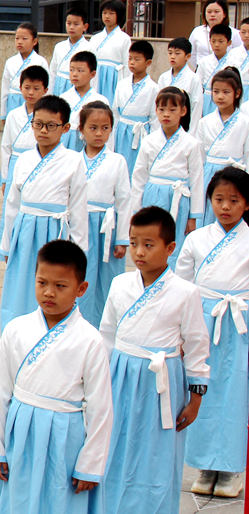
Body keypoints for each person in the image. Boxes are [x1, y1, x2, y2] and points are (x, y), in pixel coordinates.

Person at [0, 240, 113, 514]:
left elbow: (100, 407)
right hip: (21, 434)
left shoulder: (90, 340)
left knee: (60, 502)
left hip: (66, 439)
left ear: (81, 289)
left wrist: (90, 464)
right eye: (42, 283)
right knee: (17, 501)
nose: (49, 293)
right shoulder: (16, 330)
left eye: (60, 286)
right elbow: (0, 393)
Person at [100, 206, 210, 514]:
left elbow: (197, 344)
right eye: (134, 243)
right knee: (116, 447)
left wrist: (196, 395)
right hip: (120, 375)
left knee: (157, 454)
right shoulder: (120, 285)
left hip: (162, 382)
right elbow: (106, 335)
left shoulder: (185, 292)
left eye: (149, 244)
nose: (138, 252)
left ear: (170, 248)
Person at [177, 167, 249, 498]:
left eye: (234, 200)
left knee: (235, 394)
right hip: (202, 321)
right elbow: (181, 285)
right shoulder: (196, 239)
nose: (225, 207)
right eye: (219, 199)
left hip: (239, 323)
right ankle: (206, 465)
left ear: (246, 204)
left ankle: (232, 468)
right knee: (204, 389)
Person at [0, 95, 88, 330]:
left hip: (55, 232)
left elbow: (78, 209)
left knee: (52, 285)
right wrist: (8, 244)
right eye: (38, 124)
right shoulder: (24, 159)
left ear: (65, 128)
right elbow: (12, 205)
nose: (43, 131)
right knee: (21, 286)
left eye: (51, 125)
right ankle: (17, 332)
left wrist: (79, 250)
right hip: (25, 230)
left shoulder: (74, 161)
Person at [130, 87, 203, 268]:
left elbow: (196, 179)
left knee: (173, 239)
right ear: (156, 111)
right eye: (162, 109)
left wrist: (193, 217)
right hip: (153, 194)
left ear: (183, 111)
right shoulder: (149, 141)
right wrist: (136, 208)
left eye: (172, 109)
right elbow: (139, 176)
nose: (166, 115)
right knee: (150, 236)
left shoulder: (191, 144)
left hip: (178, 198)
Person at [76, 101, 130, 327]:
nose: (99, 133)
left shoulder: (117, 161)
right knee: (81, 276)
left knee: (106, 280)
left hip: (106, 228)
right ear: (81, 129)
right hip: (80, 224)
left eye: (105, 128)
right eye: (93, 127)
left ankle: (108, 326)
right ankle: (79, 323)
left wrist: (123, 239)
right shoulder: (73, 160)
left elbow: (125, 200)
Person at [0, 66, 47, 250]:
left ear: (45, 90)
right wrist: (4, 176)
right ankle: (10, 246)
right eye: (27, 87)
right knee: (12, 207)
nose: (31, 93)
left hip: (37, 162)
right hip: (16, 164)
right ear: (20, 88)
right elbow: (6, 146)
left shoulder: (46, 114)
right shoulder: (13, 115)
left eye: (36, 88)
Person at [197, 67, 249, 227]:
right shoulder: (205, 122)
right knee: (210, 214)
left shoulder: (245, 122)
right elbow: (200, 156)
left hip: (235, 174)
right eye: (216, 91)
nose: (220, 96)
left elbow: (247, 154)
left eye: (226, 92)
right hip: (209, 174)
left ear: (237, 93)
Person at [112, 41, 159, 172]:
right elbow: (115, 112)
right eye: (130, 58)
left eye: (137, 59)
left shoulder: (153, 88)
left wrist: (153, 143)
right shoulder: (122, 84)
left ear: (148, 63)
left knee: (137, 167)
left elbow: (155, 118)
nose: (131, 62)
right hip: (121, 131)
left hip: (140, 133)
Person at [60, 52, 109, 152]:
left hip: (89, 143)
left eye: (80, 71)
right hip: (65, 142)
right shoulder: (63, 98)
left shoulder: (100, 100)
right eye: (72, 70)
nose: (74, 74)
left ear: (92, 74)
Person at [0, 23, 47, 123]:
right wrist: (3, 114)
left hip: (34, 100)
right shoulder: (10, 62)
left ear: (34, 41)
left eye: (24, 39)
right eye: (17, 38)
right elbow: (5, 89)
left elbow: (46, 86)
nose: (20, 42)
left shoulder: (41, 61)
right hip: (13, 101)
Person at [158, 38, 203, 133]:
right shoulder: (163, 78)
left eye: (177, 53)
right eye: (170, 53)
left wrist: (192, 132)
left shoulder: (194, 79)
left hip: (185, 126)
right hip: (166, 122)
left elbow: (196, 107)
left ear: (188, 56)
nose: (172, 57)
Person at [90, 0, 130, 98]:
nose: (107, 16)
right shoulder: (95, 38)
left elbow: (127, 63)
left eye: (111, 13)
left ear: (119, 15)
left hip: (114, 76)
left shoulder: (124, 38)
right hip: (97, 75)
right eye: (104, 13)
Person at [50, 8, 93, 96]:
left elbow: (92, 74)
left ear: (85, 27)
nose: (71, 27)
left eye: (76, 24)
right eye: (69, 23)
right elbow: (52, 71)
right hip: (59, 85)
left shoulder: (89, 48)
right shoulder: (59, 46)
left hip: (78, 85)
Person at [198, 24, 238, 118]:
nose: (216, 45)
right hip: (206, 99)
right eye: (213, 41)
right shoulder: (204, 62)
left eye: (221, 41)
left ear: (229, 43)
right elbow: (198, 83)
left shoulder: (234, 63)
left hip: (226, 98)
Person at [190, 0, 242, 71]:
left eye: (216, 12)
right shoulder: (197, 31)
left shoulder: (235, 33)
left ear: (224, 14)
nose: (212, 15)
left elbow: (240, 54)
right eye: (209, 12)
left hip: (226, 73)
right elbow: (192, 54)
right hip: (203, 72)